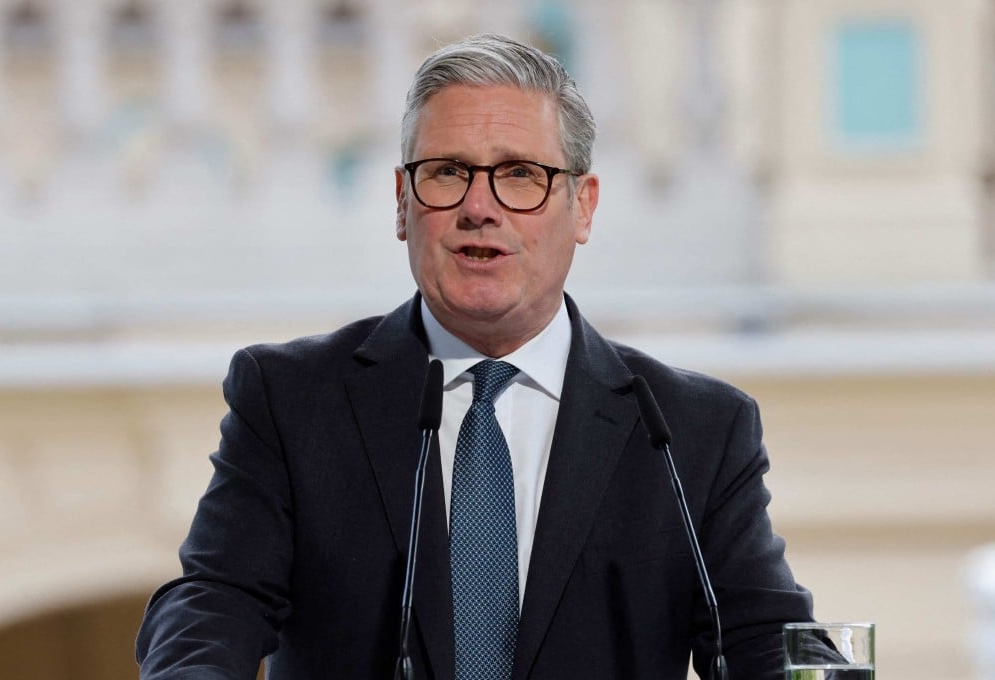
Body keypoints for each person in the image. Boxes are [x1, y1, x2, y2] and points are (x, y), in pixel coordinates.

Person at [136, 33, 814, 679]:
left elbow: (768, 638)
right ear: (403, 203)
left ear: (583, 206)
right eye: (447, 173)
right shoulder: (291, 400)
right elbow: (213, 602)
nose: (479, 207)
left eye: (521, 174)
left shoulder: (690, 431)